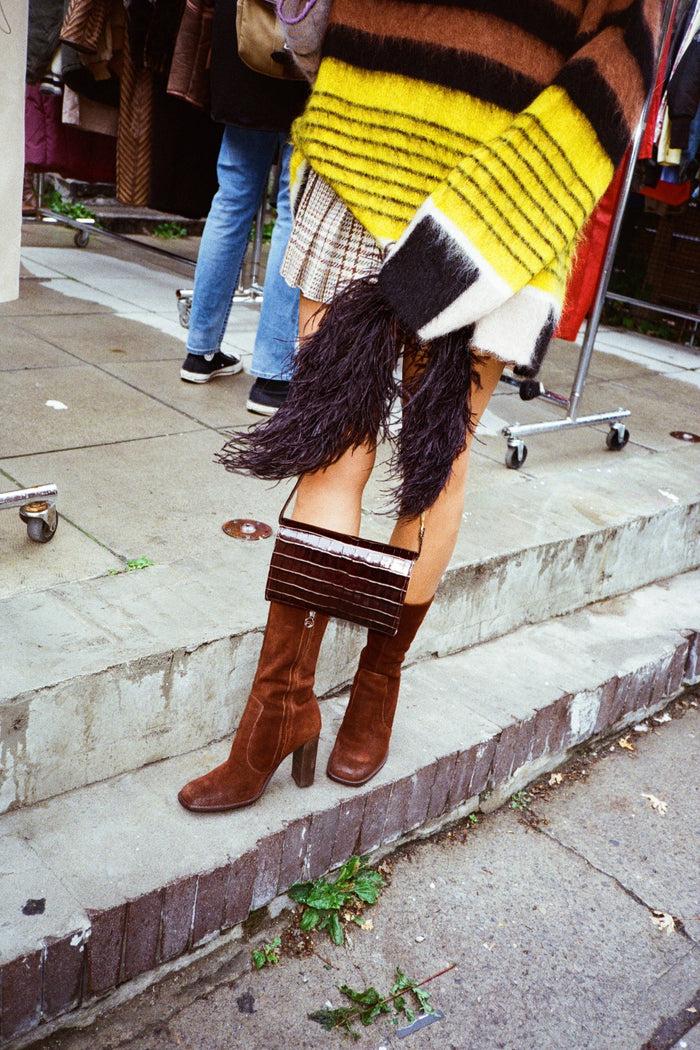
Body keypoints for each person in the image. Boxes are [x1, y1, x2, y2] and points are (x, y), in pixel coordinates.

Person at [178, 0, 661, 811]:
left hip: (506, 198)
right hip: (369, 141)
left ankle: (376, 682)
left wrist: (494, 220)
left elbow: (622, 64)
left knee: (440, 454)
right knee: (334, 445)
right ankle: (280, 707)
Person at [179, 0, 308, 416]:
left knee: (231, 198)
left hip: (243, 45)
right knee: (291, 208)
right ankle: (272, 379)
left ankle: (200, 353)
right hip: (300, 57)